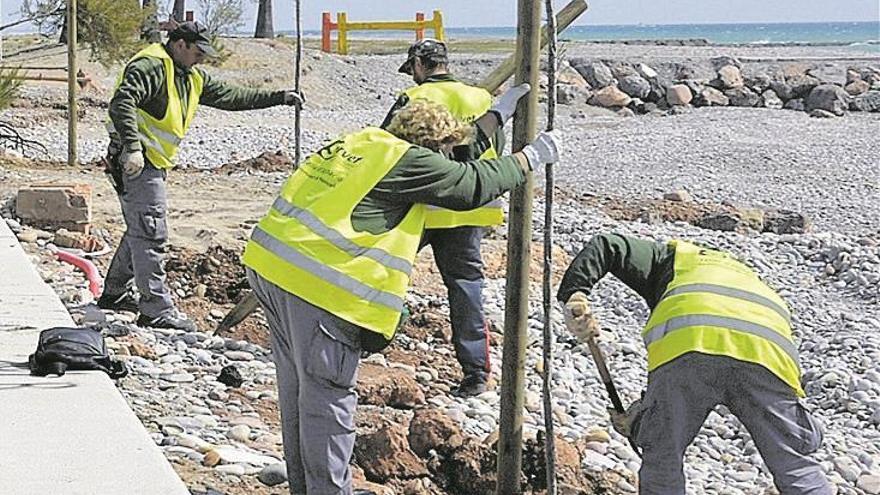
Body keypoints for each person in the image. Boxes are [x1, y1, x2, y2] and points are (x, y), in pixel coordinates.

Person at [242, 94, 560, 494]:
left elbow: (461, 153)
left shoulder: (364, 144)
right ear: (433, 145)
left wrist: (497, 115)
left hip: (273, 269)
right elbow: (470, 183)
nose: (450, 155)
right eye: (447, 148)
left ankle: (306, 488)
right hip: (319, 287)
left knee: (299, 393)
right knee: (327, 401)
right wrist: (529, 158)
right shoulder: (411, 161)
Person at [558, 233, 832, 494]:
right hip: (767, 352)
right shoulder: (749, 279)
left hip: (693, 340)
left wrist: (576, 294)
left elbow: (609, 243)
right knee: (793, 460)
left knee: (663, 454)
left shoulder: (670, 256)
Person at [98, 21, 304, 331]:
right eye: (198, 51)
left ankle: (114, 294)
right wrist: (132, 147)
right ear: (180, 44)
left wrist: (280, 97)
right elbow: (122, 102)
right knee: (151, 231)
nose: (202, 58)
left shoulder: (190, 76)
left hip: (152, 161)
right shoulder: (151, 66)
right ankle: (155, 309)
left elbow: (233, 96)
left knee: (141, 226)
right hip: (137, 162)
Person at [381, 38, 519, 396]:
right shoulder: (481, 100)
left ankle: (371, 334)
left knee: (379, 269)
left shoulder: (413, 101)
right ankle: (476, 374)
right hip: (469, 209)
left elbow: (386, 147)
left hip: (420, 209)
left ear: (419, 66)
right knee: (466, 288)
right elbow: (491, 150)